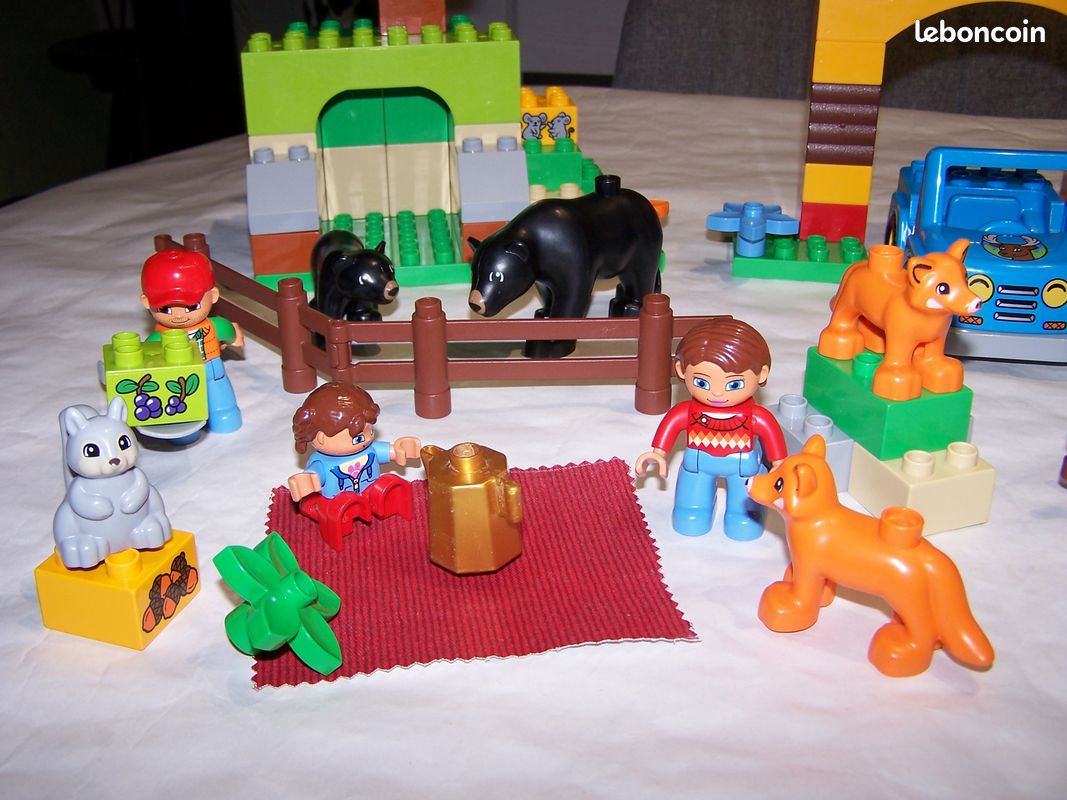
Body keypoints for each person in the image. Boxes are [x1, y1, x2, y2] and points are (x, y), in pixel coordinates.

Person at [636, 317, 786, 540]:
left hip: (743, 468)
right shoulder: (686, 412)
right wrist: (658, 453)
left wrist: (779, 465)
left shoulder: (756, 417)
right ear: (681, 370)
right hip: (698, 463)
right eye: (702, 382)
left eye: (733, 384)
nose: (717, 393)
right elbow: (671, 425)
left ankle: (744, 513)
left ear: (762, 374)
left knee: (743, 516)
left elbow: (773, 439)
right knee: (690, 512)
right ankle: (694, 508)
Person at [287, 382, 421, 546]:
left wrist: (399, 451)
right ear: (320, 438)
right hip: (337, 501)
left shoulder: (369, 449)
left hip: (371, 491)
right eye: (358, 437)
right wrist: (308, 480)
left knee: (390, 486)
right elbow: (315, 475)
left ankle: (393, 507)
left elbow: (388, 451)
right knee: (339, 509)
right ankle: (337, 532)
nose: (367, 438)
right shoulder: (322, 463)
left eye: (370, 431)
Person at [140, 249, 242, 433]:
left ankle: (223, 414)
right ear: (146, 302)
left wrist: (234, 337)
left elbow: (228, 331)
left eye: (191, 307)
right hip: (179, 377)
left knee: (219, 396)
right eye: (166, 309)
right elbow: (147, 355)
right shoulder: (160, 337)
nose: (179, 316)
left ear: (213, 295)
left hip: (211, 369)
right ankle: (184, 428)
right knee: (181, 406)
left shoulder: (213, 326)